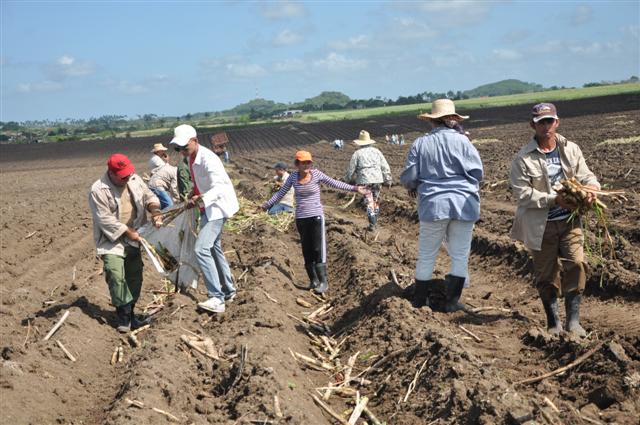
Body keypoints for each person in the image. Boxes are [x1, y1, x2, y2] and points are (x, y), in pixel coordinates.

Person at [510, 103, 599, 337]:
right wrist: (554, 200)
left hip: (570, 222)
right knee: (547, 275)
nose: (546, 126)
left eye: (549, 121)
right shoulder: (523, 159)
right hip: (541, 226)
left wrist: (592, 188)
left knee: (577, 265)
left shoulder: (571, 149)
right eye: (541, 122)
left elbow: (586, 175)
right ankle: (553, 322)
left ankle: (573, 322)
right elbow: (523, 194)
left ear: (557, 122)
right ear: (533, 125)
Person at [400, 99, 483, 312]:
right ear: (452, 120)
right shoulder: (464, 142)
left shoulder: (421, 143)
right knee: (460, 254)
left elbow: (410, 175)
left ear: (432, 121)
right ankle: (452, 303)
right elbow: (477, 173)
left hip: (433, 204)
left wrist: (414, 185)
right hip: (464, 203)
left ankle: (419, 302)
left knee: (427, 254)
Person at [261, 151, 368, 294]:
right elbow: (280, 193)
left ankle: (323, 282)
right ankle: (313, 280)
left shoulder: (316, 174)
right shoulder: (293, 177)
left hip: (316, 216)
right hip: (301, 218)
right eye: (302, 162)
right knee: (307, 249)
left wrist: (355, 188)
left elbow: (334, 183)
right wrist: (266, 205)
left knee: (318, 249)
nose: (306, 165)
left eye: (308, 162)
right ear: (297, 164)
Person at [89, 153, 162, 333]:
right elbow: (104, 219)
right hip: (112, 240)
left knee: (134, 276)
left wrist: (155, 210)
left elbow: (148, 196)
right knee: (115, 274)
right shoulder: (98, 190)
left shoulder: (135, 180)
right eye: (123, 176)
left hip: (136, 234)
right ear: (111, 173)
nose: (127, 178)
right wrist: (128, 232)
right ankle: (123, 315)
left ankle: (131, 315)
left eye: (129, 174)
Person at [170, 124, 239, 314]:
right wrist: (194, 195)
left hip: (217, 207)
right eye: (179, 149)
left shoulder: (209, 159)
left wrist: (200, 199)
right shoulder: (191, 159)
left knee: (201, 248)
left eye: (185, 147)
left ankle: (216, 297)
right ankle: (228, 290)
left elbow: (218, 188)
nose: (182, 151)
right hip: (206, 207)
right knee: (214, 248)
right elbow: (202, 184)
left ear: (195, 141)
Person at [345, 130, 392, 231]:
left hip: (364, 179)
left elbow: (351, 169)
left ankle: (372, 224)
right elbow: (385, 166)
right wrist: (388, 179)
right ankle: (375, 222)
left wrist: (347, 179)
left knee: (369, 201)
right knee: (375, 200)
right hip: (377, 179)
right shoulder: (377, 151)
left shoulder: (357, 154)